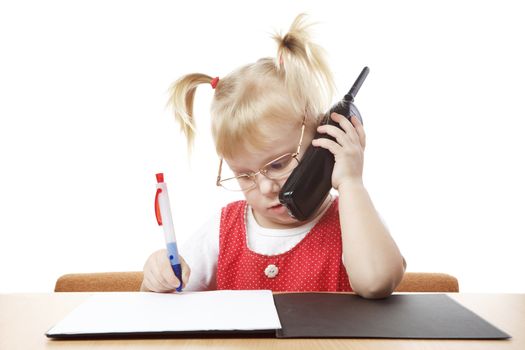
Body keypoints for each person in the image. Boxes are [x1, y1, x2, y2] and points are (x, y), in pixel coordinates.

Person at [141, 14, 406, 299]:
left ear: (322, 141)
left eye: (278, 164)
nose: (266, 187)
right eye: (244, 175)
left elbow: (376, 282)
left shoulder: (352, 217)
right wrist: (157, 280)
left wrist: (351, 182)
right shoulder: (224, 228)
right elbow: (163, 303)